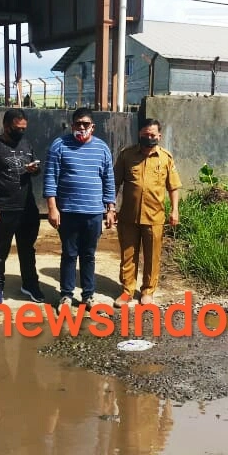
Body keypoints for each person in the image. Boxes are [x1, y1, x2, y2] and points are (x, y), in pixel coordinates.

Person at [43, 107, 116, 309]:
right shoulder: (59, 145)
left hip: (93, 212)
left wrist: (110, 209)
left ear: (93, 126)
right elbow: (50, 178)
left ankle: (88, 296)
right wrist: (52, 208)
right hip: (67, 211)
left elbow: (108, 179)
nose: (81, 127)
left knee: (88, 255)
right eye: (78, 123)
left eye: (86, 124)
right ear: (72, 124)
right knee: (69, 254)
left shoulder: (102, 148)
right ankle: (66, 295)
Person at [112, 118, 182, 306]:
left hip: (154, 217)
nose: (149, 138)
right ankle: (127, 290)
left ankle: (148, 291)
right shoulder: (126, 156)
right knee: (128, 255)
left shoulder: (165, 158)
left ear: (159, 136)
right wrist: (110, 208)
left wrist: (175, 210)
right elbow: (115, 183)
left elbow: (173, 187)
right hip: (128, 216)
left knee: (152, 256)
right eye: (145, 135)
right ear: (139, 135)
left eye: (152, 135)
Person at [0, 108, 44, 305]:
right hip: (4, 208)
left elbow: (36, 170)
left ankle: (30, 284)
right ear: (6, 126)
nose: (21, 132)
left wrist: (34, 169)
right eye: (17, 128)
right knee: (0, 249)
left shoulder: (26, 144)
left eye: (24, 128)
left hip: (27, 208)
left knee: (27, 248)